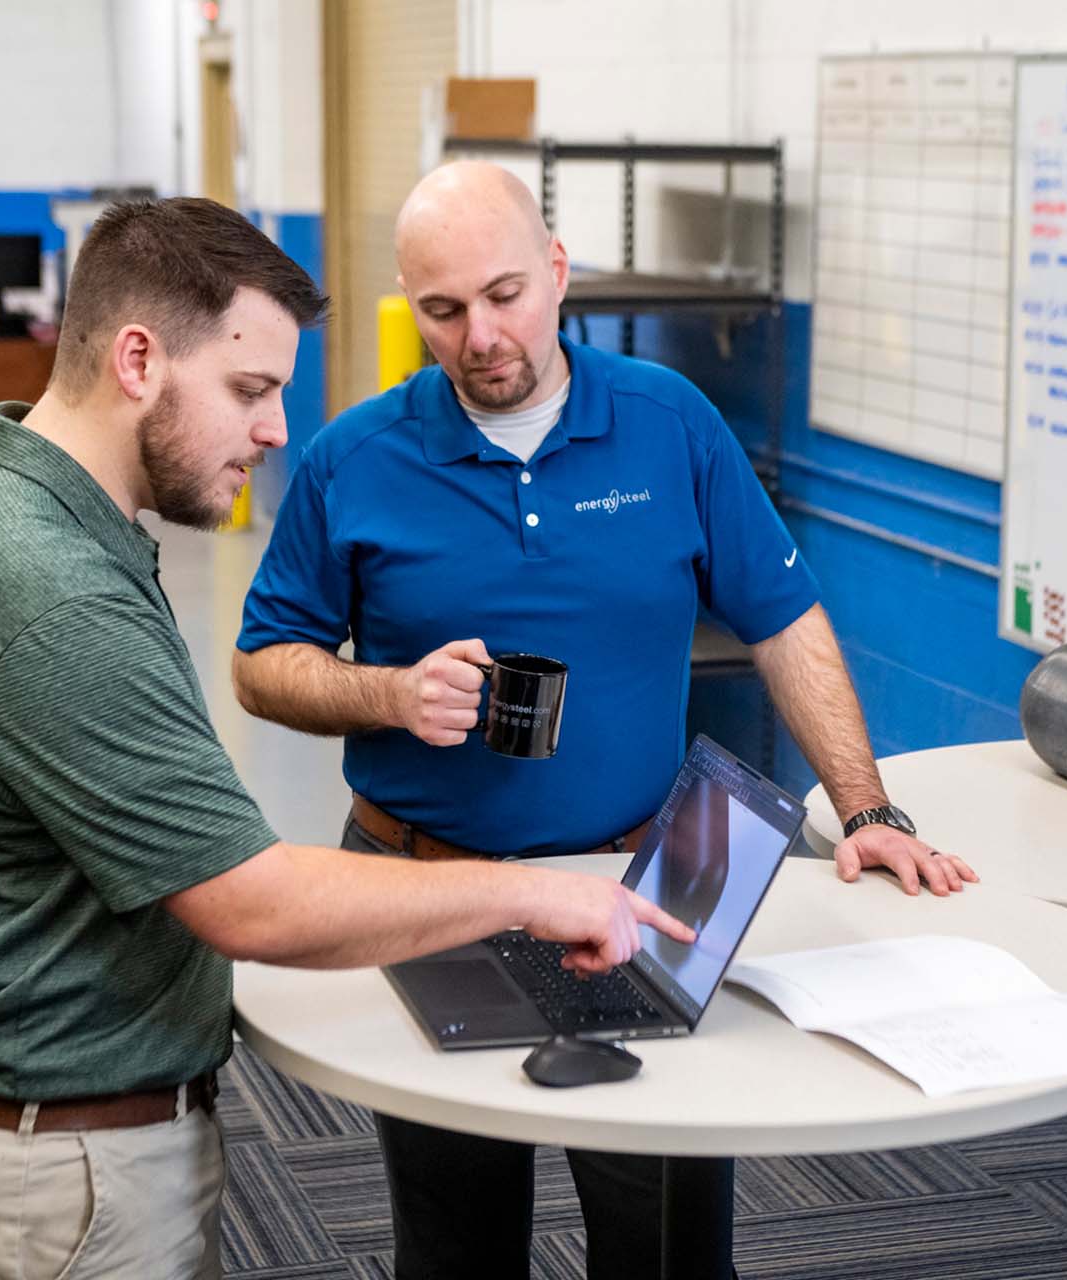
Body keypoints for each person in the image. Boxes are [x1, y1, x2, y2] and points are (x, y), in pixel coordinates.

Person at [0, 196, 692, 1280]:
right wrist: (534, 894)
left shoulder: (12, 498)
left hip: (36, 1134)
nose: (279, 429)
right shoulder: (50, 586)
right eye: (249, 389)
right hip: (39, 1178)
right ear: (138, 360)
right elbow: (252, 902)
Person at [232, 162, 979, 1280]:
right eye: (444, 309)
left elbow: (784, 618)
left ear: (557, 271)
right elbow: (262, 666)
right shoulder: (355, 456)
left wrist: (866, 807)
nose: (482, 336)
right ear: (409, 305)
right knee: (456, 1242)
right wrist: (387, 692)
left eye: (505, 295)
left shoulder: (669, 422)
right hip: (426, 888)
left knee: (665, 1236)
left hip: (640, 885)